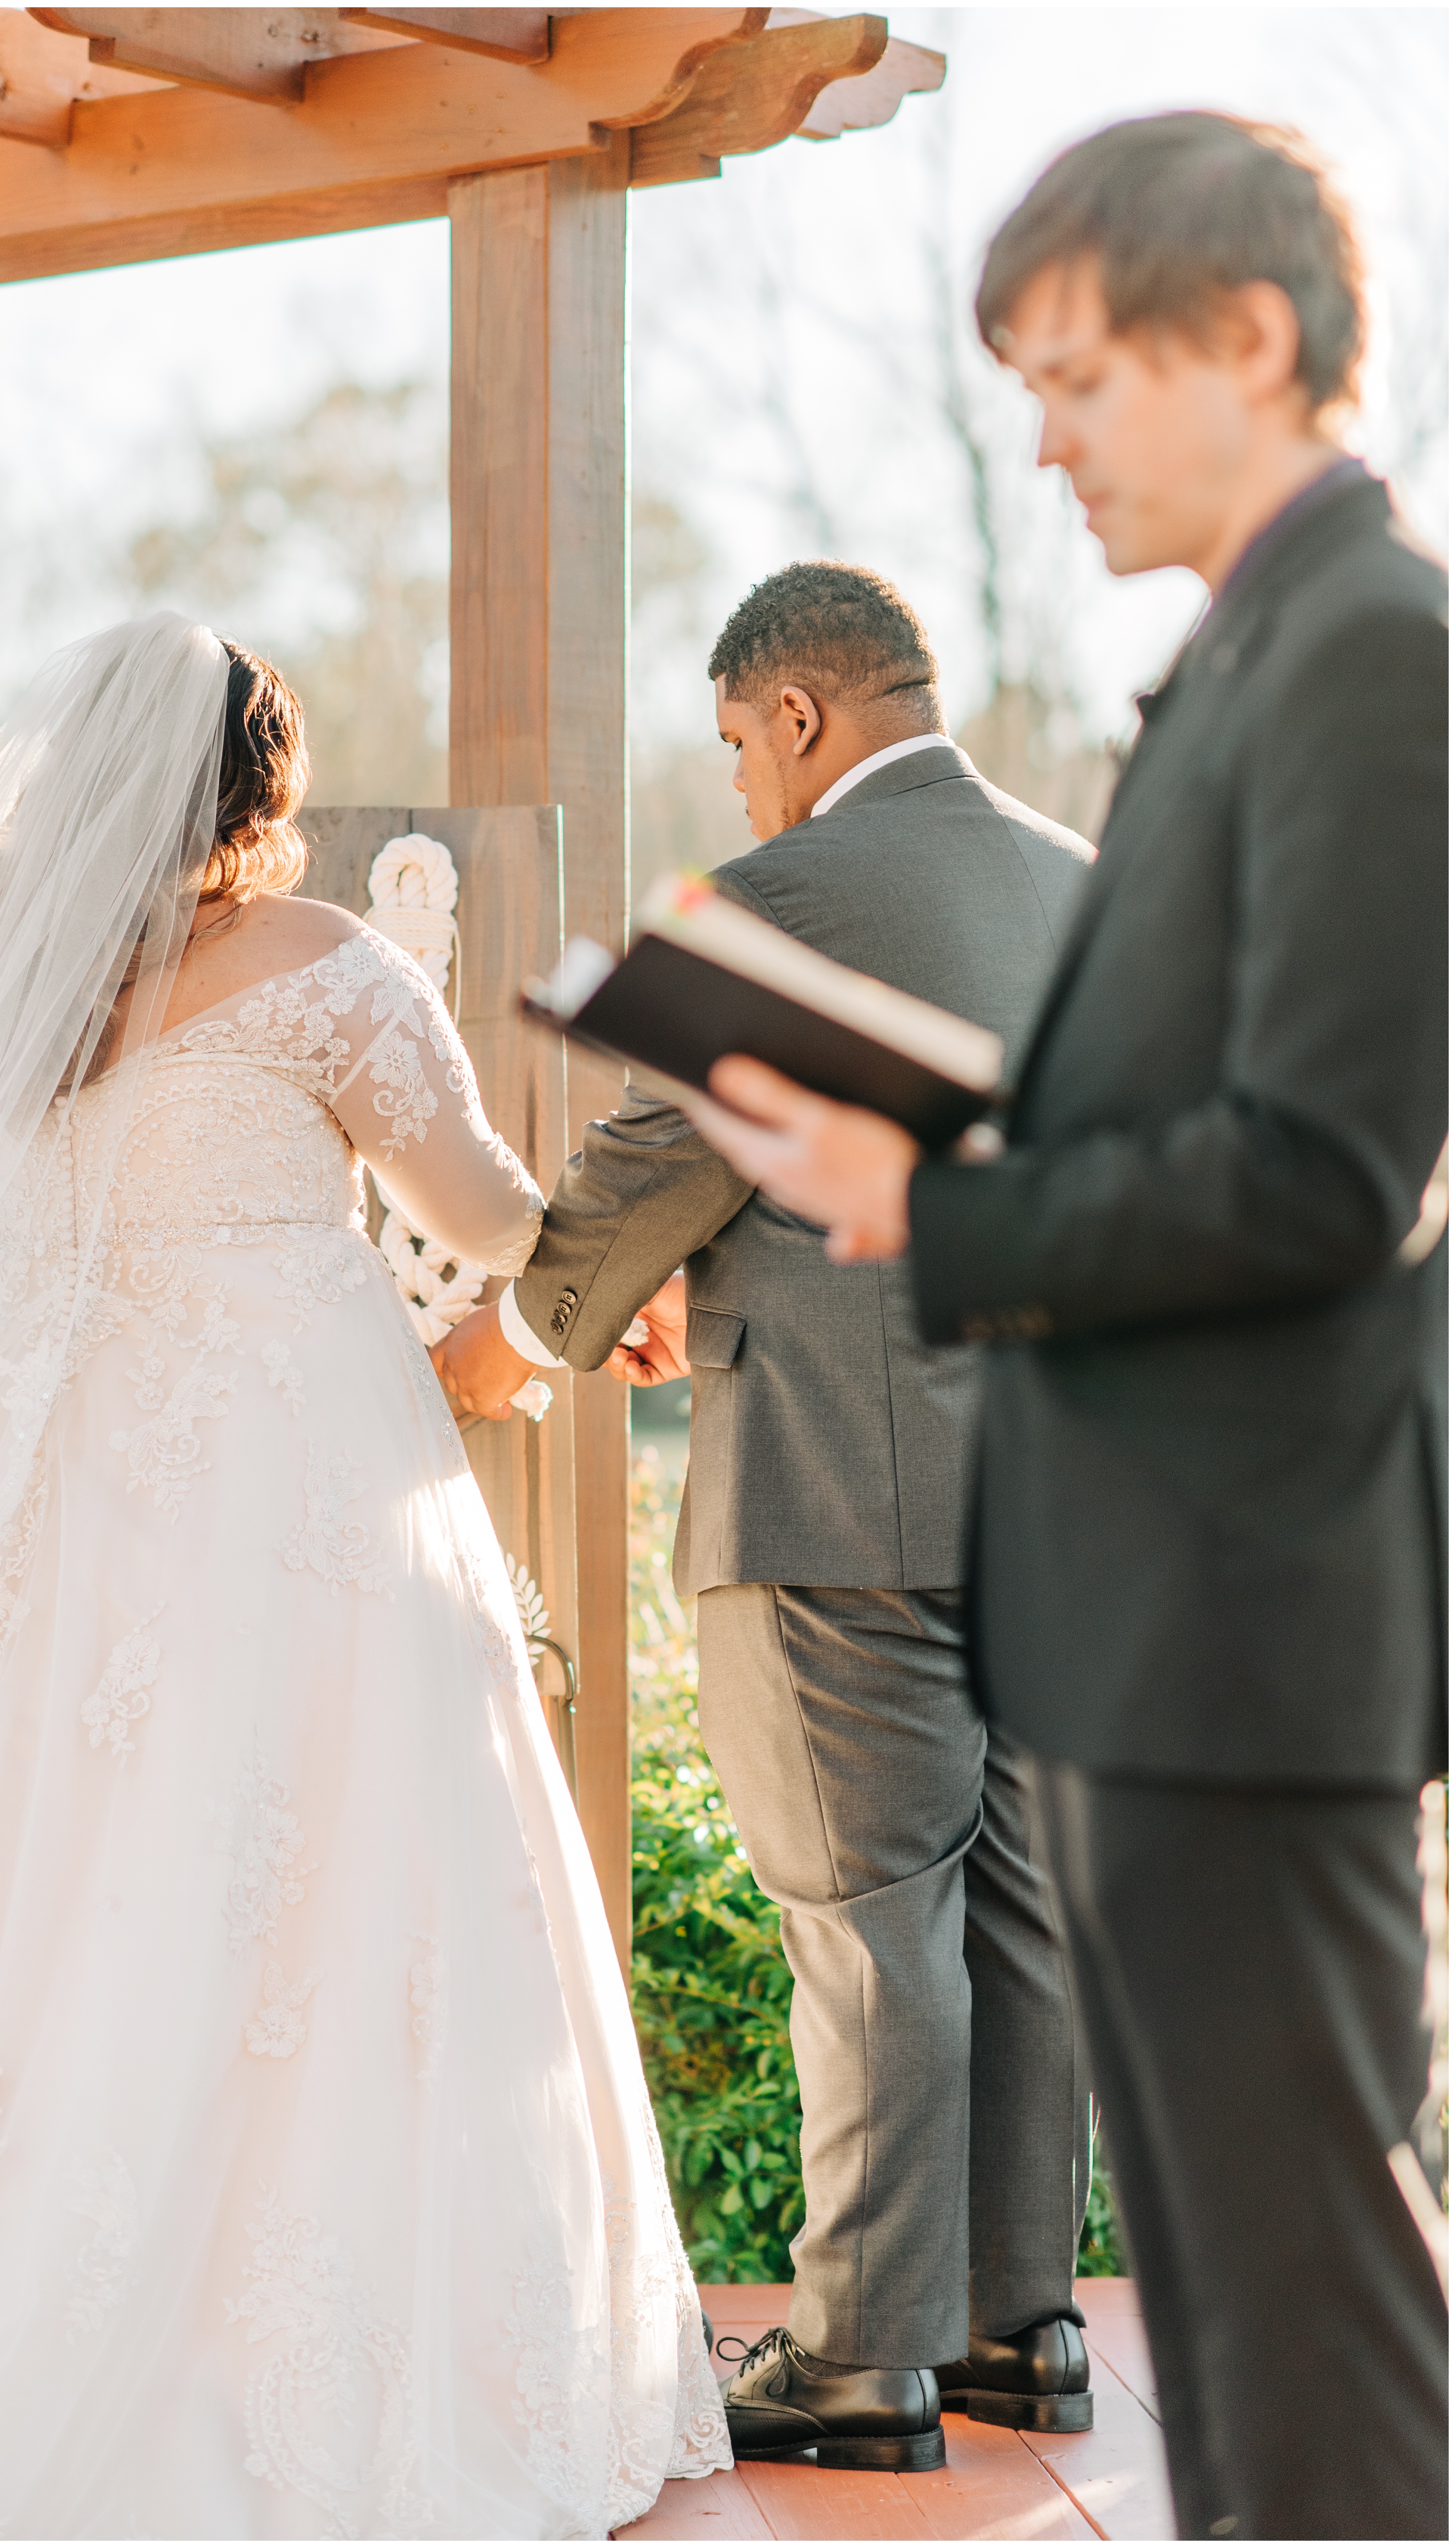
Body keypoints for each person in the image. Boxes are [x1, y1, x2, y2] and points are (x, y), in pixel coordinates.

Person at [0, 615, 729, 2540]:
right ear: (261, 790)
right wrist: (611, 1298)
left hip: (54, 1501)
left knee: (33, 1885)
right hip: (295, 1492)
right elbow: (487, 1219)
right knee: (339, 1887)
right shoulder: (320, 965)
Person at [678, 116, 1448, 2542]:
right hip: (1156, 1619)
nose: (1039, 436)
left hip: (1256, 1624)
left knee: (1311, 2331)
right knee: (1226, 2339)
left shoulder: (1372, 647)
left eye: (1078, 373)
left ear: (1244, 338)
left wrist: (944, 1203)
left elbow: (1332, 1170)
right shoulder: (1232, 663)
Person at [435, 564, 1096, 2472]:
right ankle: (1018, 2328)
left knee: (863, 1909)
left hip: (838, 1476)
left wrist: (531, 1329)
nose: (733, 785)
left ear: (797, 715)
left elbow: (659, 1151)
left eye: (735, 745)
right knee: (1018, 1909)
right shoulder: (1085, 881)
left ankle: (854, 2355)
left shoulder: (779, 900)